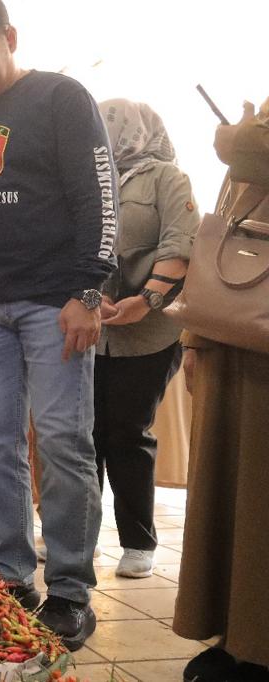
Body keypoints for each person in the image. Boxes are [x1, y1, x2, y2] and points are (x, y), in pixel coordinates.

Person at [0, 0, 117, 651]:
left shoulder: (62, 99)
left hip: (54, 303)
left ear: (10, 37)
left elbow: (98, 194)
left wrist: (89, 288)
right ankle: (11, 577)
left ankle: (68, 589)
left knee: (63, 439)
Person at [173, 99, 269, 682]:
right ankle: (239, 634)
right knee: (230, 485)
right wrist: (195, 334)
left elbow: (249, 149)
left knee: (257, 489)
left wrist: (237, 136)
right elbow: (228, 218)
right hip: (237, 334)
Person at [94, 99, 198, 579]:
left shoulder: (168, 179)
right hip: (91, 330)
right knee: (84, 435)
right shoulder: (91, 177)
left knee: (126, 431)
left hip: (150, 332)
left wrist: (144, 301)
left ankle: (137, 541)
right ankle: (79, 533)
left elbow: (181, 246)